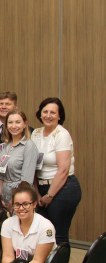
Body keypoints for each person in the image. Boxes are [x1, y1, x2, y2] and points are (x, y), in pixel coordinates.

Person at [31, 98, 81, 245]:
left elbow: (63, 170)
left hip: (63, 188)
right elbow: (32, 164)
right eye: (45, 111)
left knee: (58, 234)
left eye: (53, 112)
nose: (48, 115)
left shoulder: (61, 134)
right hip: (40, 188)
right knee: (44, 234)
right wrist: (37, 192)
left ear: (59, 116)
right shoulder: (36, 134)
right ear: (40, 114)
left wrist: (49, 195)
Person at [1, 182, 55, 263]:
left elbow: (38, 261)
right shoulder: (7, 224)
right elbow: (7, 256)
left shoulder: (46, 227)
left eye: (26, 204)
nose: (21, 208)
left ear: (34, 204)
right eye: (17, 204)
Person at [0, 109, 38, 210]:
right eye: (10, 122)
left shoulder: (29, 146)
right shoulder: (5, 146)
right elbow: (2, 175)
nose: (14, 126)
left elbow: (26, 181)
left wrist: (13, 201)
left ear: (25, 124)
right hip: (4, 197)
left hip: (21, 198)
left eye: (18, 122)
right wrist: (0, 197)